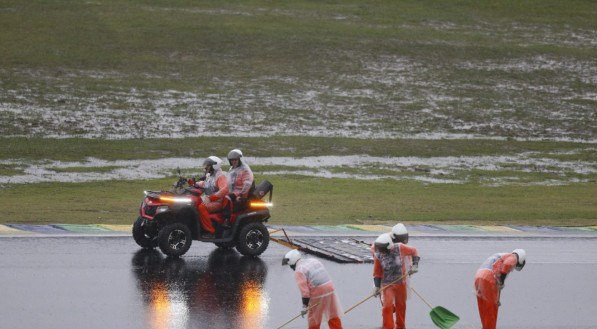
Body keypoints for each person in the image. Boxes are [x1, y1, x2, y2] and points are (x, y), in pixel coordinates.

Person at [282, 249, 343, 329]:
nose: (291, 267)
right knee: (332, 315)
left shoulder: (299, 270)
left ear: (293, 262)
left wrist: (304, 307)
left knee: (314, 318)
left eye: (290, 265)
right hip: (330, 289)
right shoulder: (313, 260)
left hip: (317, 293)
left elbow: (305, 293)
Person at [372, 232, 420, 329]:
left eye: (383, 250)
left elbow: (414, 251)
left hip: (400, 282)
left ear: (389, 246)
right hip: (387, 285)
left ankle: (400, 327)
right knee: (387, 307)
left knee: (401, 306)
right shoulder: (378, 254)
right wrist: (376, 286)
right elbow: (377, 272)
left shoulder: (400, 248)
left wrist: (415, 265)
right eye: (380, 250)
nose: (381, 252)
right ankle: (388, 327)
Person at [474, 249, 526, 329]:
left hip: (478, 276)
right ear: (520, 259)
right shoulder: (514, 257)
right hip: (489, 278)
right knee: (491, 311)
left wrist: (497, 299)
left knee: (484, 309)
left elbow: (498, 280)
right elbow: (507, 265)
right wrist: (502, 281)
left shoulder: (500, 255)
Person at [192, 156, 228, 239]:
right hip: (209, 199)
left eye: (208, 165)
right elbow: (205, 184)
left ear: (214, 165)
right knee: (194, 203)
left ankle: (210, 231)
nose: (206, 167)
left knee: (201, 207)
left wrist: (211, 198)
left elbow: (224, 190)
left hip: (218, 202)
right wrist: (195, 184)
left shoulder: (220, 176)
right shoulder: (210, 175)